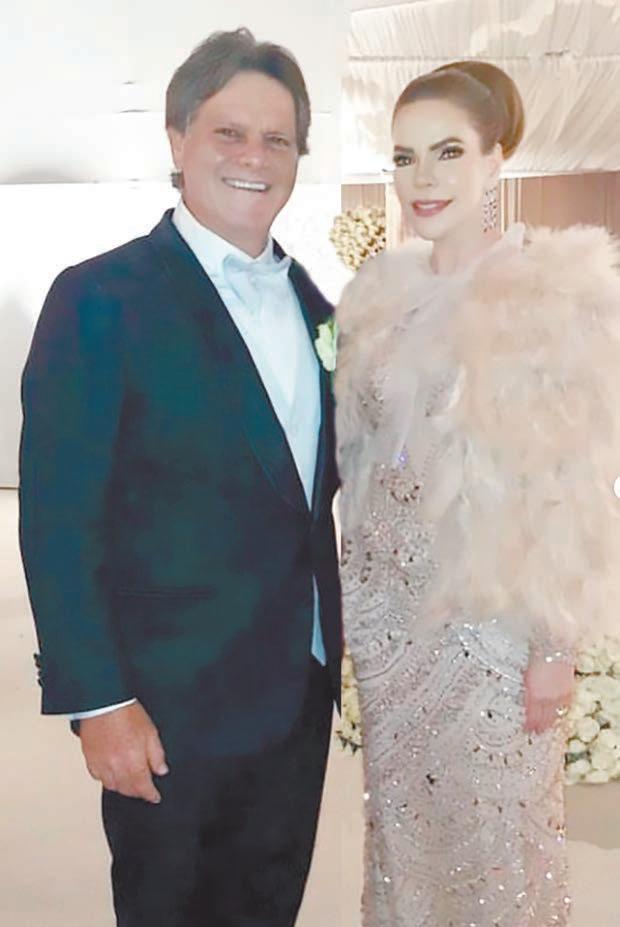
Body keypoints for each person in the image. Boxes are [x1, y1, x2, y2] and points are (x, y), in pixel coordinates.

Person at [19, 28, 341, 927]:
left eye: (277, 139)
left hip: (297, 694)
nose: (253, 157)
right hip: (168, 708)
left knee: (268, 908)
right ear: (177, 138)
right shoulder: (100, 297)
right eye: (228, 132)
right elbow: (57, 518)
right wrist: (100, 700)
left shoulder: (316, 305)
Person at [335, 60, 620, 926]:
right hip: (388, 621)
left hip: (491, 625)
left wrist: (554, 644)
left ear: (496, 159)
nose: (422, 178)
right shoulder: (381, 295)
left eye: (448, 151)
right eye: (405, 156)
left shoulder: (553, 292)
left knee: (499, 842)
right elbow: (362, 455)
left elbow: (572, 482)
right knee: (404, 835)